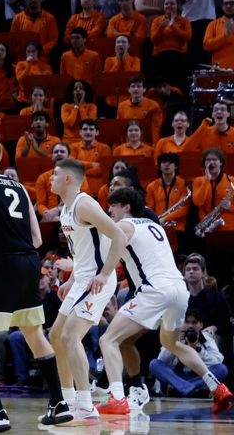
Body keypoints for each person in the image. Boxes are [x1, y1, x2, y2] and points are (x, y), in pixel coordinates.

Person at [0, 138, 71, 431]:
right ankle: (59, 404)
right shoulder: (20, 188)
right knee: (34, 333)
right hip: (29, 261)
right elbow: (36, 238)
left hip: (3, 263)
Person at [94, 188, 233, 414]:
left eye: (113, 206)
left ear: (126, 207)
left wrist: (97, 270)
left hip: (154, 289)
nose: (110, 211)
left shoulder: (123, 227)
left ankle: (117, 397)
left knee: (107, 340)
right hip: (178, 289)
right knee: (169, 343)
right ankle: (216, 387)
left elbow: (103, 254)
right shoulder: (154, 225)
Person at [47, 158, 128, 420]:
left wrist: (105, 274)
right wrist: (71, 279)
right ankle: (68, 401)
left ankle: (85, 404)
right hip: (81, 278)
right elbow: (80, 249)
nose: (50, 178)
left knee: (70, 336)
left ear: (68, 179)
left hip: (97, 279)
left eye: (55, 174)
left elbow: (119, 236)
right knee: (56, 336)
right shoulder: (65, 209)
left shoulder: (85, 203)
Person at [149, 309, 228, 397]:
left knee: (222, 369)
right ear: (181, 324)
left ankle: (183, 388)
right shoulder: (173, 338)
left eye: (194, 322)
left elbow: (217, 361)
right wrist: (175, 343)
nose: (190, 326)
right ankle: (190, 388)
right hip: (177, 376)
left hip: (200, 376)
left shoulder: (207, 339)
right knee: (154, 364)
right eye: (186, 322)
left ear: (201, 325)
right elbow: (161, 360)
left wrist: (198, 350)